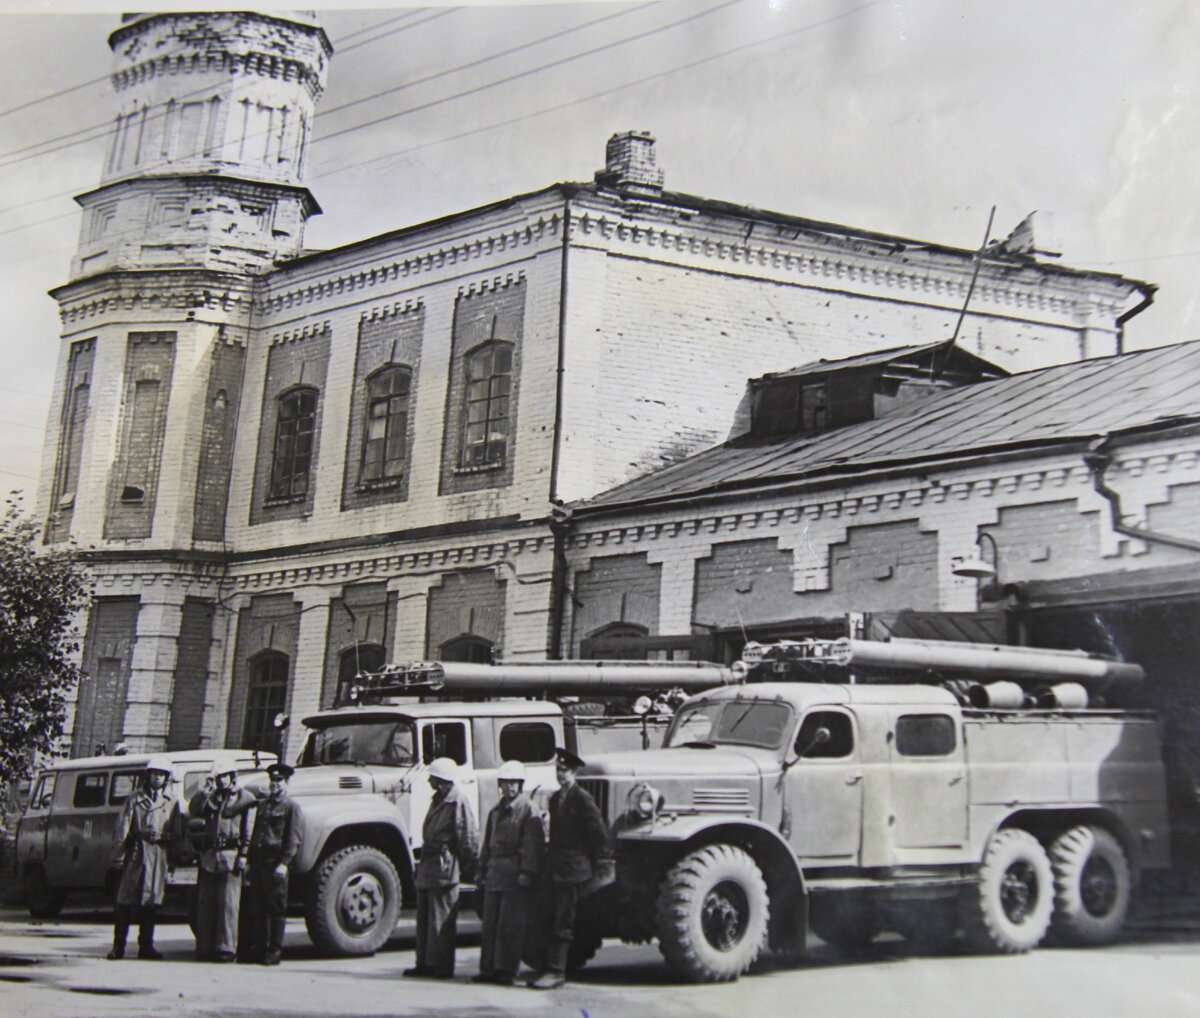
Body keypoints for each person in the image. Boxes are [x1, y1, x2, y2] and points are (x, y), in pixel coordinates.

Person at [528, 748, 608, 990]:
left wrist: (589, 864)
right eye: (558, 770)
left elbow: (598, 834)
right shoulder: (554, 798)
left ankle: (556, 972)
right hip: (555, 867)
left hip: (573, 870)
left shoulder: (582, 799)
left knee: (564, 922)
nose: (560, 775)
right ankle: (548, 966)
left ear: (574, 773)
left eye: (564, 771)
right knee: (548, 917)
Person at [404, 757, 478, 979]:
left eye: (433, 777)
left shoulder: (457, 802)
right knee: (426, 920)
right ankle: (425, 963)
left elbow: (468, 837)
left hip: (444, 868)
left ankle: (441, 966)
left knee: (441, 920)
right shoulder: (439, 799)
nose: (429, 781)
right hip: (430, 866)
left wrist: (469, 868)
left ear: (443, 780)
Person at [472, 760, 544, 986]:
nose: (509, 787)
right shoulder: (496, 811)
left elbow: (533, 844)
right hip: (495, 871)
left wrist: (527, 871)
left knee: (510, 925)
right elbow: (487, 842)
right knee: (490, 924)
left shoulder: (528, 809)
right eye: (505, 783)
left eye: (513, 783)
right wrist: (481, 868)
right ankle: (488, 969)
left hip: (514, 872)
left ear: (520, 785)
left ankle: (507, 970)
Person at [226, 761, 304, 965]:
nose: (275, 786)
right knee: (257, 907)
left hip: (275, 862)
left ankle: (274, 950)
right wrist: (250, 859)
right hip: (259, 861)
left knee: (276, 908)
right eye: (273, 782)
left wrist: (284, 863)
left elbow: (293, 838)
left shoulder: (291, 807)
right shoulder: (264, 806)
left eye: (279, 782)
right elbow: (257, 833)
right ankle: (259, 948)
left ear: (287, 784)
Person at [108, 756, 181, 960]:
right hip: (136, 854)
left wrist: (167, 842)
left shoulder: (172, 802)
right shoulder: (134, 799)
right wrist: (119, 856)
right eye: (154, 774)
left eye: (161, 775)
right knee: (124, 901)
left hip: (158, 856)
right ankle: (118, 946)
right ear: (147, 776)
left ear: (166, 778)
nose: (157, 778)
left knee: (150, 903)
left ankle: (146, 946)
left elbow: (178, 832)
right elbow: (122, 828)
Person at [188, 754, 255, 962]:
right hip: (209, 856)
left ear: (232, 776)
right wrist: (206, 790)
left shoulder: (244, 798)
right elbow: (195, 809)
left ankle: (226, 949)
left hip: (231, 855)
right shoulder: (212, 798)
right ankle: (205, 948)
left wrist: (244, 854)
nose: (222, 781)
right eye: (218, 777)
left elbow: (248, 829)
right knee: (206, 904)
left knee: (228, 905)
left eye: (225, 776)